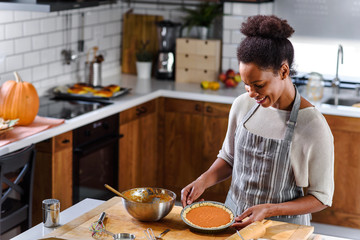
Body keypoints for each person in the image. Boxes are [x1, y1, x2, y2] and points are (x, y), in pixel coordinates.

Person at [181, 15, 334, 228]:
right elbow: (229, 158)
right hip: (233, 221)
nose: (252, 93)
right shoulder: (242, 105)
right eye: (246, 84)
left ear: (283, 71)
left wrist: (269, 209)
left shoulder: (312, 125)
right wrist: (203, 181)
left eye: (258, 85)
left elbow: (321, 197)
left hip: (282, 229)